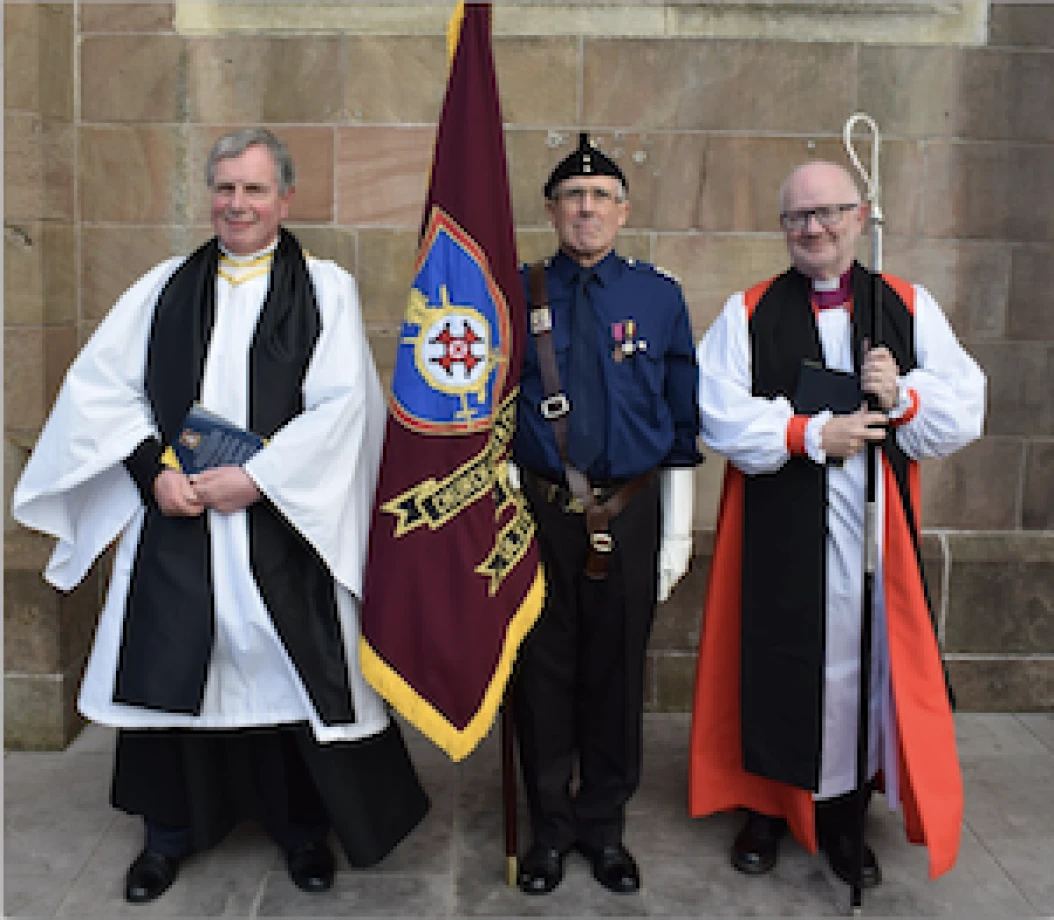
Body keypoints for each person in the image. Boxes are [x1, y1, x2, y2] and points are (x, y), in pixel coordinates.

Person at [12, 128, 429, 904]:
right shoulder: (164, 286)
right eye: (226, 187)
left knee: (286, 680)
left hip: (278, 522)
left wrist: (261, 478)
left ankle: (301, 830)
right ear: (211, 194)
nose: (237, 204)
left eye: (255, 189)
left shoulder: (324, 288)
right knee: (174, 675)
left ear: (285, 198)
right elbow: (102, 390)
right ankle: (168, 835)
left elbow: (343, 408)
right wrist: (151, 473)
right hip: (178, 521)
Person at [688, 160, 986, 888]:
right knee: (777, 656)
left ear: (862, 215)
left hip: (870, 531)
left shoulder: (906, 307)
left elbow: (964, 407)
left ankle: (844, 816)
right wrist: (809, 436)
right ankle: (766, 806)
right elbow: (716, 410)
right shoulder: (750, 309)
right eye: (796, 217)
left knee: (857, 668)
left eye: (828, 212)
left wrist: (903, 396)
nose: (812, 228)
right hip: (779, 531)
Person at [511, 133, 703, 895]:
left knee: (617, 678)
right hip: (539, 513)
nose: (585, 209)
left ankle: (605, 830)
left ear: (623, 212)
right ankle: (549, 833)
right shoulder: (517, 290)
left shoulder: (658, 295)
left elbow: (683, 420)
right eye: (572, 197)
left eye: (600, 197)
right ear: (553, 211)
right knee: (543, 676)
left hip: (630, 513)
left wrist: (679, 532)